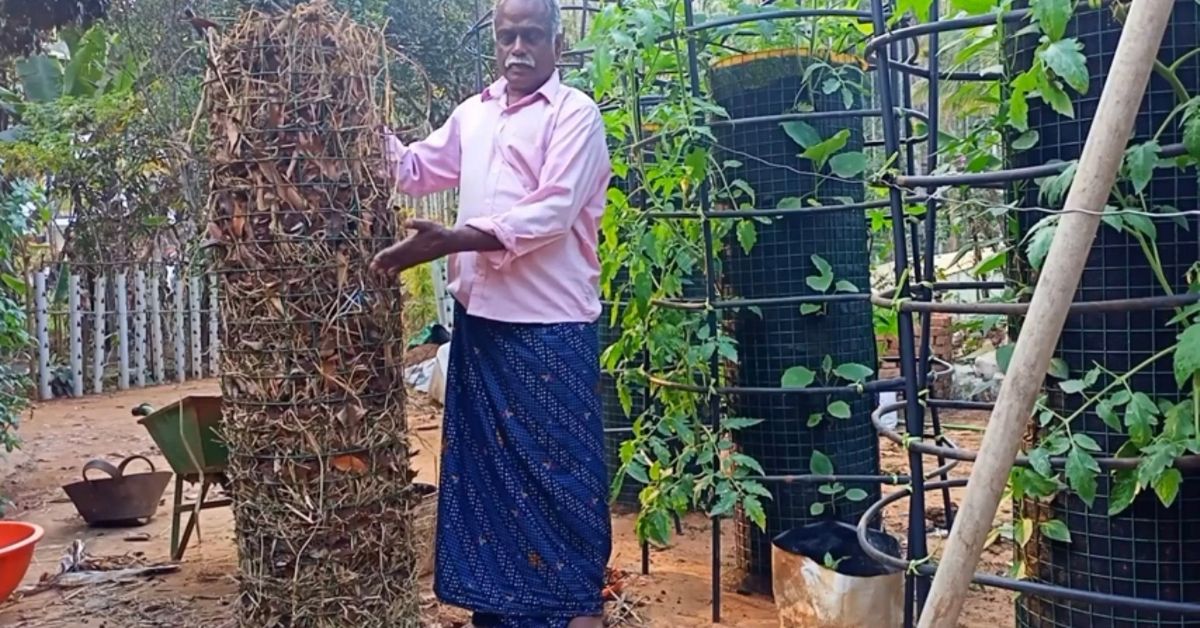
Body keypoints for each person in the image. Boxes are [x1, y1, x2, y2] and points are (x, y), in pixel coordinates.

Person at [369, 0, 612, 626]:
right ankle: (500, 612)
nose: (517, 50)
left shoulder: (575, 116)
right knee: (489, 489)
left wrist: (452, 239)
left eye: (531, 36)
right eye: (507, 37)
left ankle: (576, 611)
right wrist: (358, 122)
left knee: (564, 485)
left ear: (557, 42)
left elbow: (552, 213)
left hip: (550, 332)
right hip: (481, 331)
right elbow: (415, 169)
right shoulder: (473, 115)